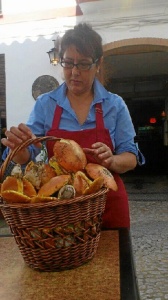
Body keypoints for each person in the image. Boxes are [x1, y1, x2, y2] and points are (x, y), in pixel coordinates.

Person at [1, 23, 144, 229]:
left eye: (84, 64)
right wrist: (21, 152)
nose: (74, 72)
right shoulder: (46, 104)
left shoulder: (114, 105)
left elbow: (130, 158)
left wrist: (112, 160)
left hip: (108, 206)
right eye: (68, 63)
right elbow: (29, 154)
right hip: (61, 210)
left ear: (98, 64)